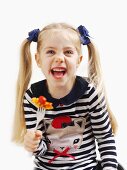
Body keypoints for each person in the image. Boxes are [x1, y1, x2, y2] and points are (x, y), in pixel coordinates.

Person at [12, 23, 118, 170]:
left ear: (79, 60)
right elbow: (42, 150)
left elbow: (104, 137)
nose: (60, 58)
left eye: (68, 52)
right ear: (38, 60)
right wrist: (34, 144)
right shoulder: (33, 97)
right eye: (50, 52)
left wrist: (109, 168)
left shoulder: (89, 93)